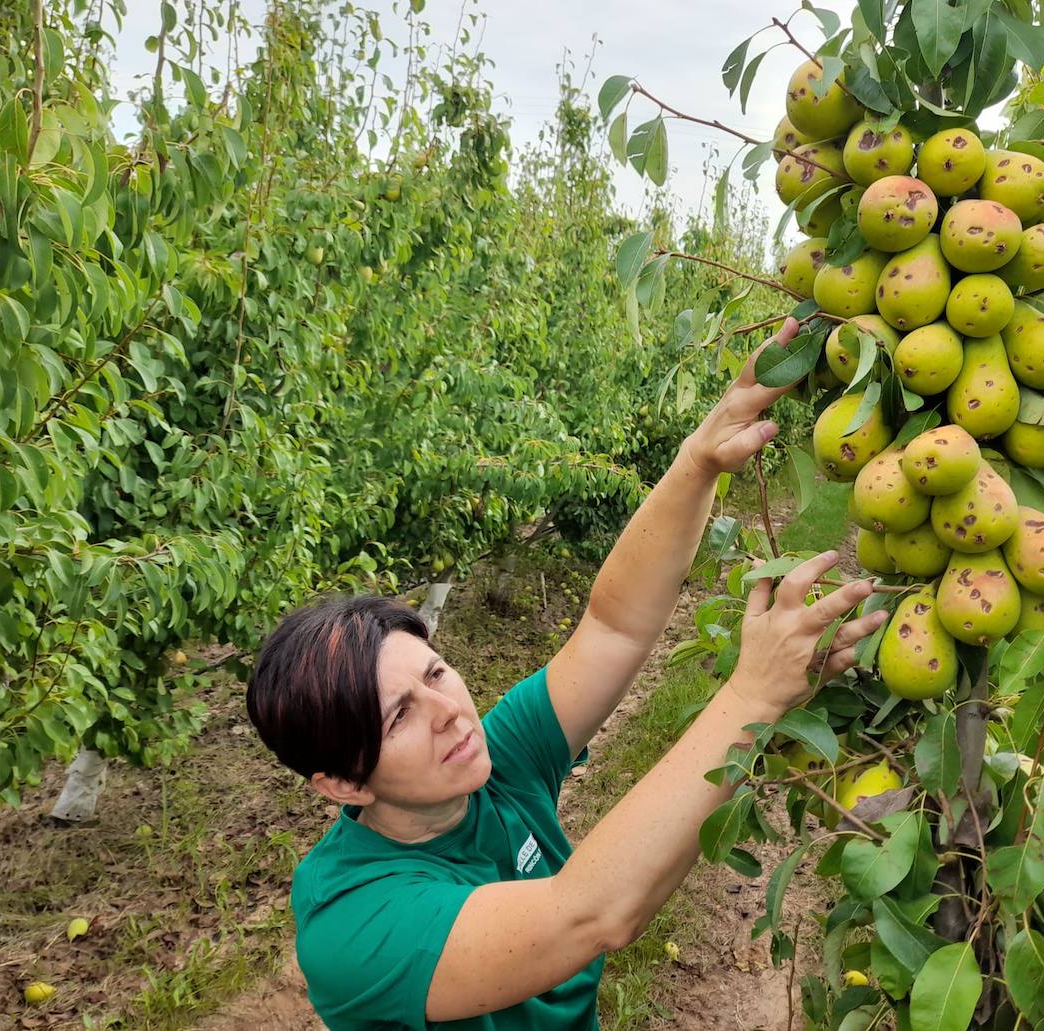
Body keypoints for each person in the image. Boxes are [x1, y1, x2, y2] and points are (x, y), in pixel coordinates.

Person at [245, 317, 889, 1030]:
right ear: (341, 782)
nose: (449, 711)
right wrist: (755, 691)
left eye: (435, 672)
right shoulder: (354, 924)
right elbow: (588, 913)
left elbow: (613, 626)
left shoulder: (492, 763)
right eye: (399, 715)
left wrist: (699, 462)